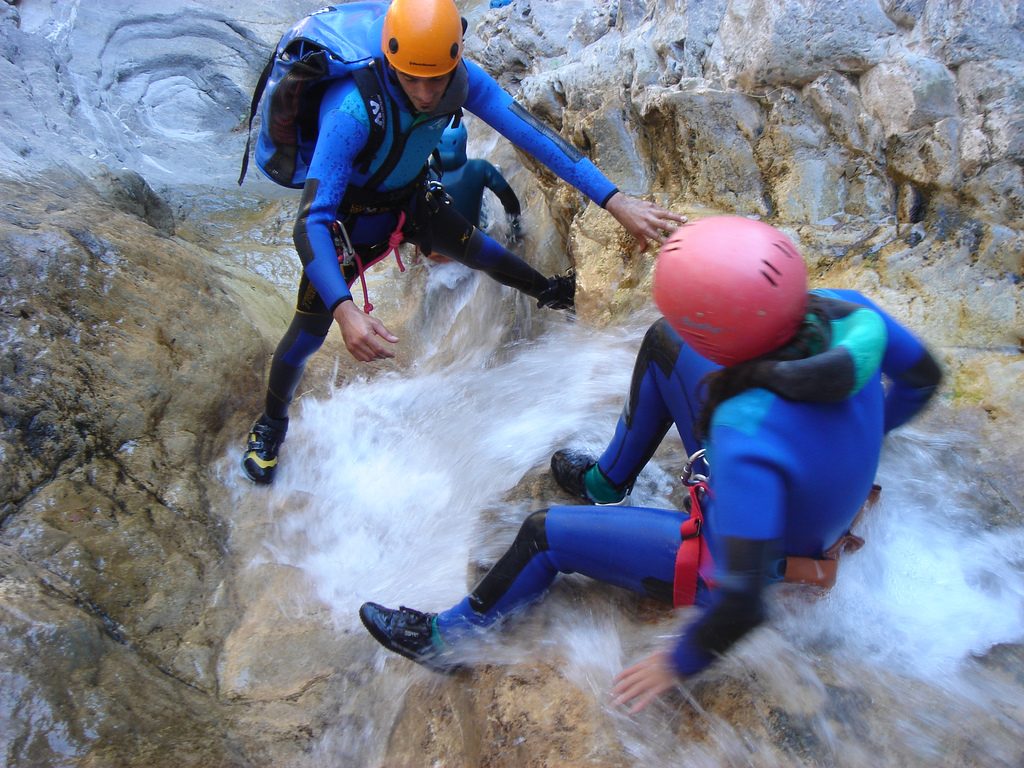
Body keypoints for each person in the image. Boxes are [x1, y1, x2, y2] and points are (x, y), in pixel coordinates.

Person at [358, 216, 943, 711]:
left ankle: (449, 640)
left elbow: (741, 599)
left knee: (542, 536)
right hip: (811, 509)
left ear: (722, 337)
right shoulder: (853, 314)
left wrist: (676, 661)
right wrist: (858, 437)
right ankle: (605, 480)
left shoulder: (747, 435)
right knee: (665, 343)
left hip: (770, 564)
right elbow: (924, 379)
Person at [242, 0, 684, 484]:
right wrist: (346, 311)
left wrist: (615, 200)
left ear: (455, 59)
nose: (428, 93)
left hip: (411, 199)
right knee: (307, 331)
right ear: (390, 60)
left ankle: (552, 293)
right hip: (346, 226)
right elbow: (311, 220)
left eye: (437, 77)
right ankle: (271, 424)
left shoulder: (464, 81)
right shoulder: (352, 107)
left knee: (480, 251)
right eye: (412, 78)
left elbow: (538, 137)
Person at [429, 118, 522, 247]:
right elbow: (511, 202)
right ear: (463, 142)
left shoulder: (422, 173)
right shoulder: (480, 168)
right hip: (470, 243)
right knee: (482, 199)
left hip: (435, 251)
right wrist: (515, 231)